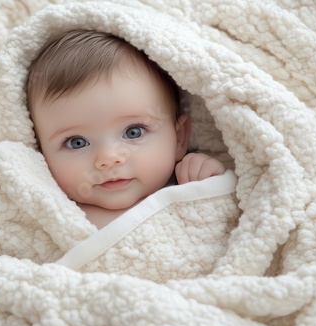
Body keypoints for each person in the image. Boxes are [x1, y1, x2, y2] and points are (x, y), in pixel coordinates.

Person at [25, 30, 225, 229]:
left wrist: (211, 186)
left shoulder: (189, 186)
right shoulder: (47, 216)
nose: (109, 158)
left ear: (179, 139)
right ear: (40, 154)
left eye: (133, 132)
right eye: (76, 142)